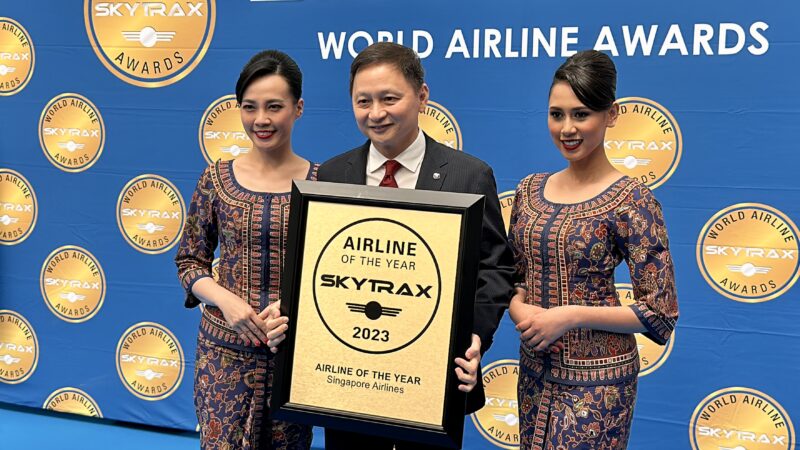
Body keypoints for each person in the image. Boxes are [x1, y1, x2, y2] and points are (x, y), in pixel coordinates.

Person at [264, 42, 515, 449]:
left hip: (431, 382)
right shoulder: (329, 175)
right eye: (363, 101)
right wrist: (290, 309)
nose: (375, 113)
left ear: (422, 96)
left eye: (389, 98)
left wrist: (473, 337)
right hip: (345, 381)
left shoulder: (469, 175)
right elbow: (316, 270)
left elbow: (495, 269)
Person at [507, 49, 679, 449]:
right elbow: (511, 276)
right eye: (557, 114)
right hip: (534, 371)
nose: (567, 128)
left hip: (601, 384)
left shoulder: (632, 200)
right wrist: (519, 309)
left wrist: (568, 317)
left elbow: (660, 312)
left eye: (581, 114)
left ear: (611, 114)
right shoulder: (530, 190)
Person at [175, 50, 316, 450]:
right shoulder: (216, 177)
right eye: (250, 107)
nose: (261, 120)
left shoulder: (322, 183)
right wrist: (227, 302)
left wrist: (291, 310)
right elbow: (189, 260)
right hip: (222, 355)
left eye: (275, 107)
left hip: (291, 359)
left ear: (298, 108)